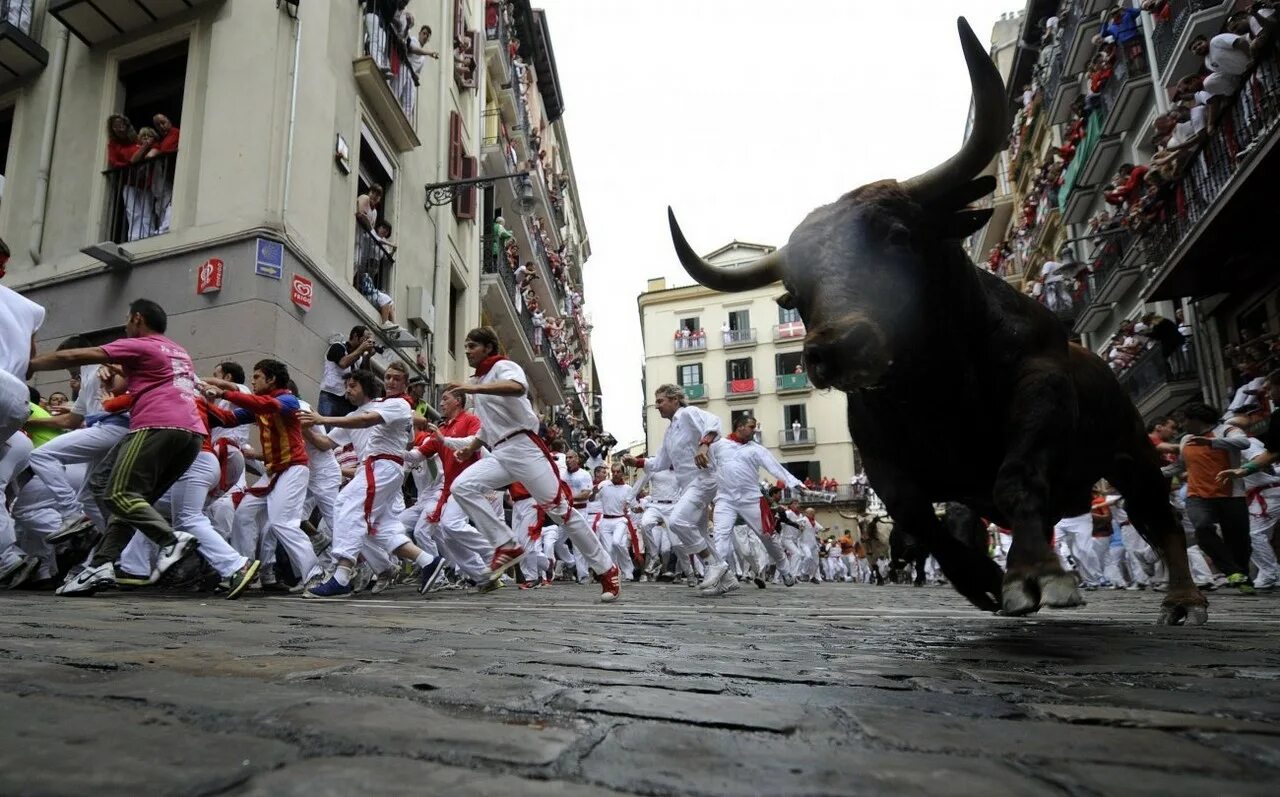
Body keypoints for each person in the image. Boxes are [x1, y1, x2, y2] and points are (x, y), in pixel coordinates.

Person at [28, 299, 204, 596]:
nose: (125, 326)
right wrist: (112, 373)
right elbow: (121, 389)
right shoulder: (177, 350)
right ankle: (101, 563)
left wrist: (26, 363)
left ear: (137, 318)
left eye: (127, 320)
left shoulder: (142, 343)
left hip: (156, 427)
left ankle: (171, 541)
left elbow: (75, 355)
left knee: (117, 493)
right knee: (119, 497)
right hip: (190, 435)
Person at [445, 327, 621, 600]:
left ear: (488, 348)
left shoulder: (503, 366)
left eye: (472, 346)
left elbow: (518, 388)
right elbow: (489, 427)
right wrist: (470, 448)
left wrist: (472, 387)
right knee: (462, 486)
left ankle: (607, 569)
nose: (466, 350)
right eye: (466, 346)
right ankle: (506, 543)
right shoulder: (481, 382)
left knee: (561, 512)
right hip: (501, 452)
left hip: (524, 448)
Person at [300, 369, 439, 597]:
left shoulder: (392, 405)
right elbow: (325, 442)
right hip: (377, 472)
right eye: (388, 378)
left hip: (380, 469)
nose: (347, 391)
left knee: (348, 507)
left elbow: (368, 420)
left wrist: (322, 418)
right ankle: (427, 561)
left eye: (353, 386)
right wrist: (305, 426)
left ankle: (342, 577)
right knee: (379, 526)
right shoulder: (368, 411)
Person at [203, 359, 318, 592]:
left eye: (256, 377)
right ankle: (246, 572)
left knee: (282, 523)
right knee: (243, 514)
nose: (252, 381)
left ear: (271, 379)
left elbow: (266, 406)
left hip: (293, 468)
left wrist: (225, 393)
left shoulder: (287, 399)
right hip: (275, 471)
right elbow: (228, 419)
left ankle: (314, 575)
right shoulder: (262, 405)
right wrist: (201, 401)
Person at [623, 384, 731, 592]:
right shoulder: (670, 431)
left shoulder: (688, 413)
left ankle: (713, 565)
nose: (657, 406)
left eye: (661, 401)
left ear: (675, 400)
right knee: (699, 531)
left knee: (677, 522)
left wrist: (704, 443)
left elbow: (714, 422)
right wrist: (635, 463)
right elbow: (660, 462)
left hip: (703, 479)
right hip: (688, 485)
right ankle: (727, 580)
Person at [1164, 402, 1254, 594]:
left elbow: (1244, 443)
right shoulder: (1186, 439)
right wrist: (1156, 472)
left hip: (1231, 495)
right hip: (1197, 495)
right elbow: (1179, 466)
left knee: (1238, 540)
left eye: (1185, 421)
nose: (1183, 425)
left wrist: (1212, 443)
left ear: (1196, 420)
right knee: (1202, 529)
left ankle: (1243, 577)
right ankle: (1232, 572)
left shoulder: (1227, 430)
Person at [706, 415, 802, 592]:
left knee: (767, 538)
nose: (754, 430)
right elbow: (710, 467)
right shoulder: (718, 446)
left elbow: (775, 468)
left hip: (752, 500)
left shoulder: (757, 449)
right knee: (720, 536)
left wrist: (795, 484)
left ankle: (784, 568)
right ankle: (721, 581)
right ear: (740, 427)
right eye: (751, 427)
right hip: (725, 499)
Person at [319, 326, 376, 419]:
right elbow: (343, 363)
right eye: (365, 339)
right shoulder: (337, 346)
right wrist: (361, 349)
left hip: (348, 400)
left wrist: (368, 357)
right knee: (325, 427)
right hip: (331, 395)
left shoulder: (360, 358)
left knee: (342, 431)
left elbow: (368, 378)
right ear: (355, 336)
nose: (366, 343)